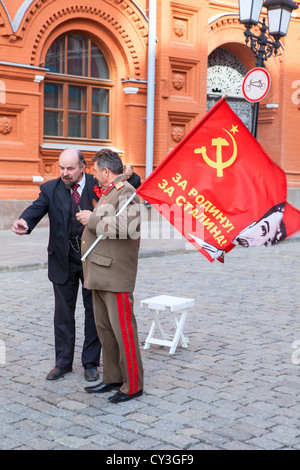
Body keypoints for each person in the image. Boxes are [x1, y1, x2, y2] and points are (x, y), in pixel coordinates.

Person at [12, 149, 101, 382]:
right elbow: (37, 208)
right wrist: (25, 221)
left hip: (92, 258)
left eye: (70, 168)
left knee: (93, 312)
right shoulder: (50, 188)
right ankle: (63, 363)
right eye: (62, 167)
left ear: (83, 167)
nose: (65, 173)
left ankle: (90, 362)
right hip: (63, 259)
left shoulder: (97, 184)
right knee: (63, 314)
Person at [76, 149, 143, 403]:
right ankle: (114, 377)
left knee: (123, 331)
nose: (93, 176)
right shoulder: (110, 191)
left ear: (106, 171)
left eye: (94, 171)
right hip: (101, 272)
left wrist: (91, 219)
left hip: (115, 274)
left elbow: (128, 227)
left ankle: (133, 384)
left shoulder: (126, 192)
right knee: (106, 331)